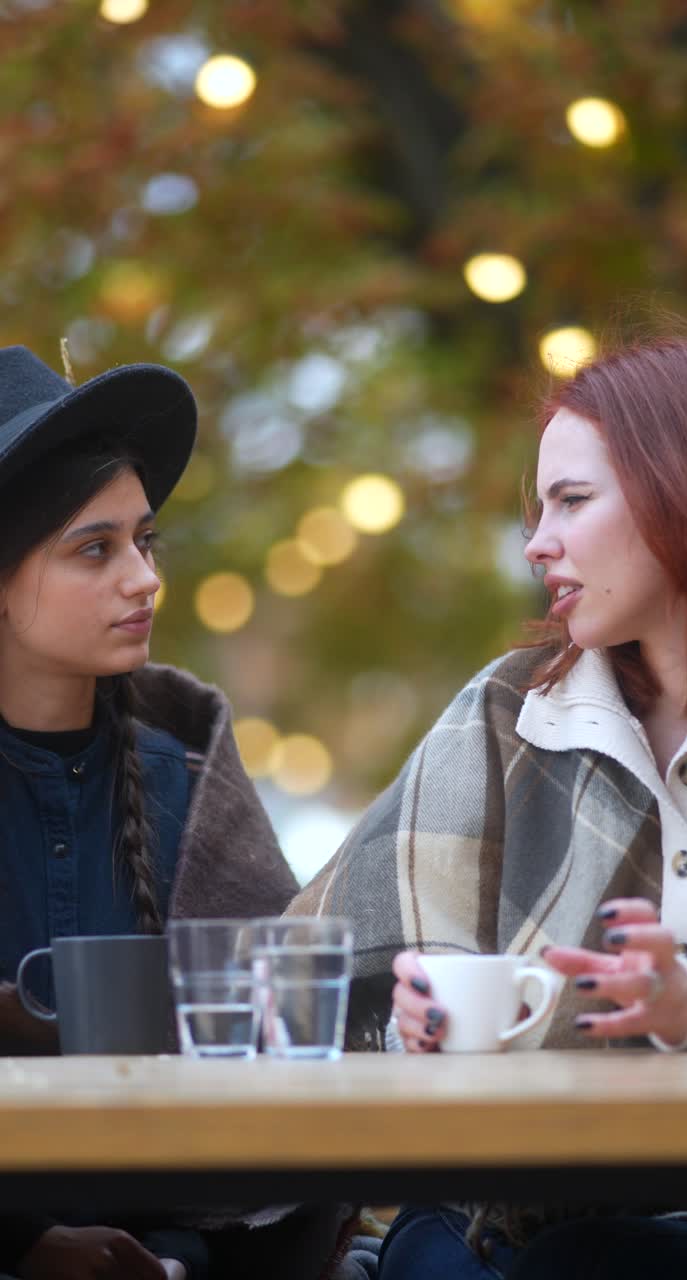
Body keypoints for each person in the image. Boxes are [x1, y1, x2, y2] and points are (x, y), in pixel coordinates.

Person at [288, 335, 687, 1277]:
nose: (537, 544)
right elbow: (318, 981)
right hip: (491, 1216)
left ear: (685, 487)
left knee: (595, 1258)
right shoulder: (509, 710)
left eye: (573, 500)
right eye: (538, 509)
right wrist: (415, 1022)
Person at [0, 345, 353, 1280]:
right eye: (95, 549)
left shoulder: (191, 785)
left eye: (145, 541)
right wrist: (23, 1245)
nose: (144, 578)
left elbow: (287, 1069)